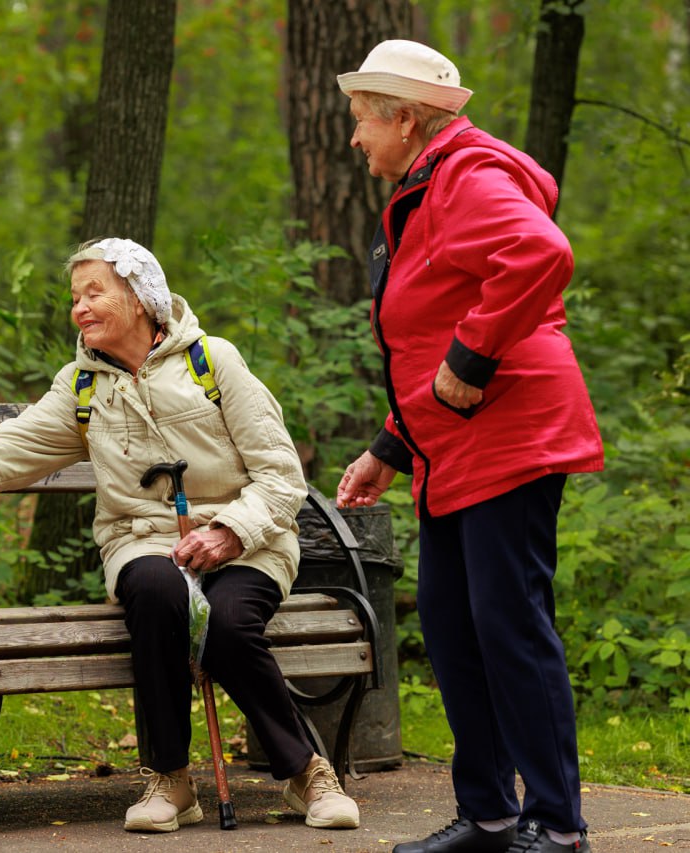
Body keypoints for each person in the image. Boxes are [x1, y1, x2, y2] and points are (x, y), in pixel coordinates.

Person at [0, 237, 361, 833]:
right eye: (75, 297)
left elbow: (282, 477)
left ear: (141, 296)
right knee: (155, 594)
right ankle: (171, 780)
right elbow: (2, 454)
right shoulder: (81, 385)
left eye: (94, 292)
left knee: (225, 622)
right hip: (143, 540)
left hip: (247, 539)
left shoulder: (213, 361)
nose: (79, 308)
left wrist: (229, 531)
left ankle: (306, 773)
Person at [335, 40, 604, 853]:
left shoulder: (468, 176)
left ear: (406, 119)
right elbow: (429, 328)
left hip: (512, 431)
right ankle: (488, 815)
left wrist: (471, 360)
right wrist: (391, 443)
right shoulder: (424, 186)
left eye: (361, 121)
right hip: (450, 443)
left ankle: (557, 826)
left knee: (509, 626)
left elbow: (540, 254)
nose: (355, 139)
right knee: (454, 628)